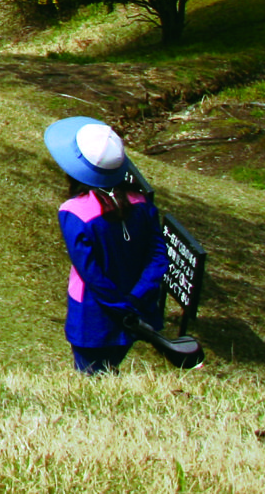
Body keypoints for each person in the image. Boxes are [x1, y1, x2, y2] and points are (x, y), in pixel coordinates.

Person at [44, 115, 167, 373]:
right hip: (137, 311)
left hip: (93, 314)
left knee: (90, 376)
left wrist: (119, 307)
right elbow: (157, 258)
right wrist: (135, 300)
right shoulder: (143, 204)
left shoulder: (74, 212)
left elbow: (91, 273)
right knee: (109, 370)